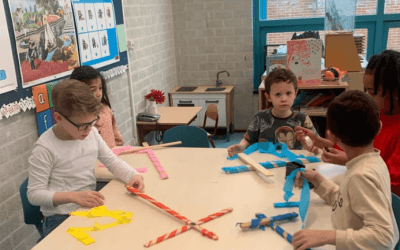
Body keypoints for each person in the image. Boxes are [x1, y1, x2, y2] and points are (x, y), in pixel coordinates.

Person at [27, 80, 144, 241]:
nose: (89, 130)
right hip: (60, 217)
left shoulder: (91, 133)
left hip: (88, 207)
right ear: (59, 118)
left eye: (92, 122)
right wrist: (73, 196)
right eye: (83, 125)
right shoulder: (45, 148)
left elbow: (110, 160)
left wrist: (132, 175)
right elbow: (34, 194)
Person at [292, 90, 399, 250]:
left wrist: (326, 236)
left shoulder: (360, 176)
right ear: (379, 127)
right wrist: (319, 181)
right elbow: (348, 202)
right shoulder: (374, 161)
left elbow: (384, 237)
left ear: (333, 137)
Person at [295, 50, 400, 196]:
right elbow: (348, 145)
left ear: (395, 92)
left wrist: (351, 160)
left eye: (372, 92)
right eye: (367, 91)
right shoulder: (374, 114)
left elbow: (391, 185)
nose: (368, 97)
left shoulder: (389, 126)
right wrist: (319, 141)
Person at [228, 68, 318, 157]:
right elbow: (248, 139)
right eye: (278, 94)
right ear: (268, 96)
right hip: (264, 164)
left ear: (295, 93)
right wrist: (240, 147)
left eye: (288, 93)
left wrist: (312, 146)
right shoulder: (260, 117)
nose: (284, 99)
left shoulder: (302, 119)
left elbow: (316, 142)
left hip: (293, 163)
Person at [70, 65, 123, 149]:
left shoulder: (106, 109)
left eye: (100, 88)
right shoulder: (78, 118)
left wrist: (119, 145)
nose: (98, 94)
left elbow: (114, 130)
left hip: (112, 155)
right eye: (92, 90)